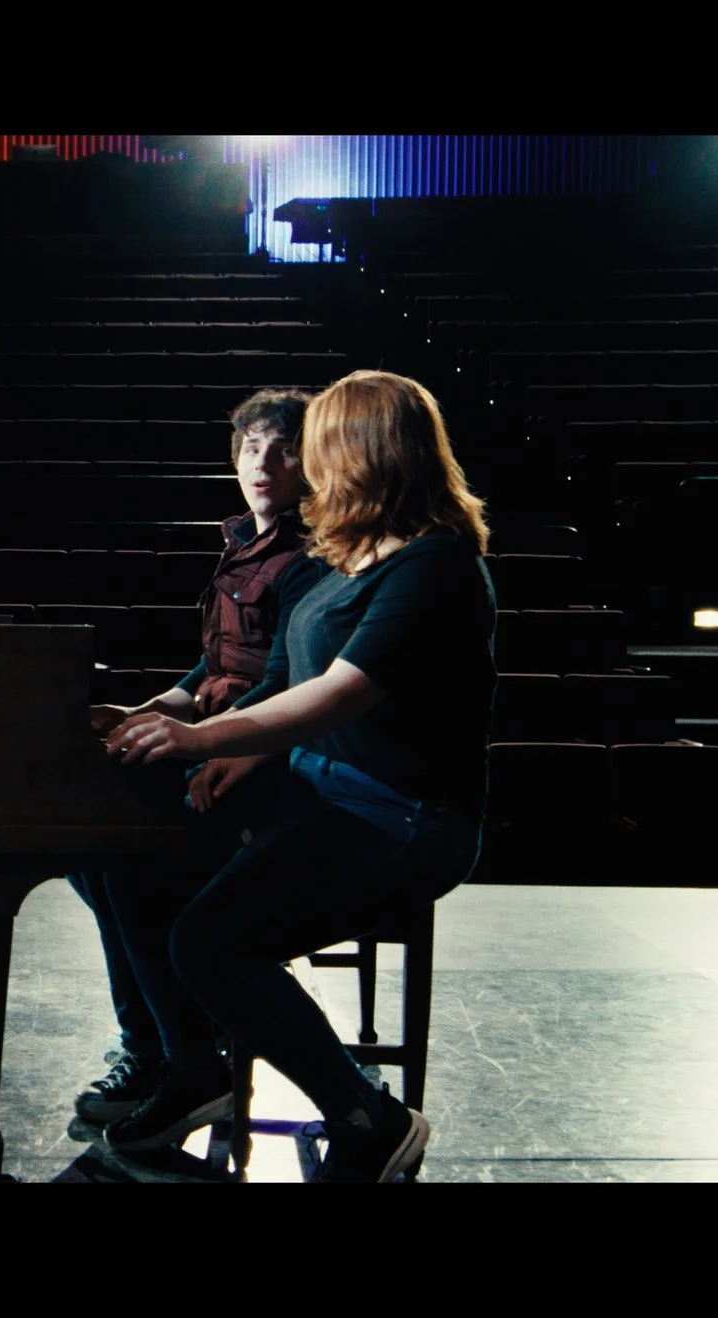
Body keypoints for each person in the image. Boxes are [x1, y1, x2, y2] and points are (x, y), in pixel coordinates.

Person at [98, 369, 495, 1183]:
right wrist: (212, 742)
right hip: (314, 789)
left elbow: (338, 695)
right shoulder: (342, 558)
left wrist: (203, 738)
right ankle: (192, 1069)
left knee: (209, 943)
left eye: (314, 445)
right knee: (130, 854)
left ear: (365, 451)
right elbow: (283, 675)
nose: (301, 464)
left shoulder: (436, 564)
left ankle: (369, 1119)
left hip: (399, 818)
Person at [70, 387, 318, 1126]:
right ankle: (156, 1038)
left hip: (265, 762)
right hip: (217, 740)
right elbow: (212, 665)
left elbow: (285, 683)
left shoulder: (311, 557)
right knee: (87, 844)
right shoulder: (241, 543)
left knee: (123, 854)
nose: (264, 464)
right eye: (252, 448)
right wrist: (148, 710)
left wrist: (202, 735)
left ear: (315, 462)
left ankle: (180, 1053)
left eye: (284, 450)